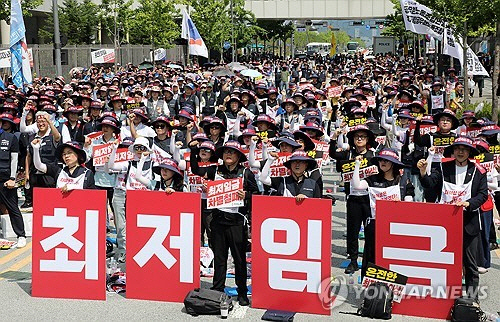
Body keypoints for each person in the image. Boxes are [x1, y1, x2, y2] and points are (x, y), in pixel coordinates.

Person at [418, 136, 488, 300]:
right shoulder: (443, 167)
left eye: (464, 149)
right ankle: (442, 296)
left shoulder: (479, 170)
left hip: (468, 221)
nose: (461, 152)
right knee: (443, 260)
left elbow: (483, 195)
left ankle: (472, 299)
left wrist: (469, 204)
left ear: (470, 152)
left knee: (470, 264)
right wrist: (423, 172)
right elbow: (429, 184)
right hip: (445, 221)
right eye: (457, 148)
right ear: (453, 151)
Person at [191, 141, 259, 306]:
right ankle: (217, 290)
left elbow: (257, 193)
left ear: (238, 156)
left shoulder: (246, 173)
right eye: (226, 152)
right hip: (218, 221)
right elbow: (195, 170)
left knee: (239, 258)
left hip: (237, 222)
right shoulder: (215, 170)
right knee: (220, 258)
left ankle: (242, 291)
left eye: (232, 152)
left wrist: (247, 195)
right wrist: (194, 150)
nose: (228, 154)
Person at [351, 148, 414, 276]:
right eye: (380, 160)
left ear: (393, 164)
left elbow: (409, 201)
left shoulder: (402, 180)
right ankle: (369, 287)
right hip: (375, 224)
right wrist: (357, 165)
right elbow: (357, 185)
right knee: (371, 255)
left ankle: (391, 288)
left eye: (386, 160)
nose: (383, 163)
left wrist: (400, 203)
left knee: (392, 257)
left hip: (395, 226)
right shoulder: (373, 179)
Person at [329, 124, 377, 274]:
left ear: (367, 139)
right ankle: (353, 260)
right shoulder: (347, 154)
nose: (360, 139)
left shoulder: (373, 155)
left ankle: (369, 262)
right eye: (357, 137)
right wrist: (334, 138)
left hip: (368, 199)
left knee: (370, 231)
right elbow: (333, 154)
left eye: (362, 137)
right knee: (352, 231)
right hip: (353, 198)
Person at [0, 114, 26, 248]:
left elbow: (14, 159)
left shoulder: (10, 138)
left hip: (6, 180)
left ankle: (21, 235)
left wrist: (12, 178)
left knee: (13, 208)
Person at [31, 140, 96, 191]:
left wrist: (73, 188)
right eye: (64, 154)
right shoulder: (59, 171)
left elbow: (92, 195)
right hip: (60, 206)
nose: (66, 156)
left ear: (78, 155)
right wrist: (36, 149)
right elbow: (39, 166)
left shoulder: (87, 173)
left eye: (69, 153)